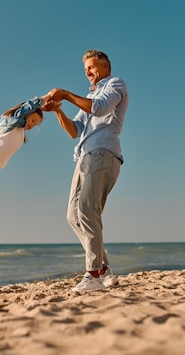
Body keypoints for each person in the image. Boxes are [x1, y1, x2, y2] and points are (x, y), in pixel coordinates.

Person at [45, 50, 128, 292]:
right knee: (73, 215)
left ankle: (93, 274)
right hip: (83, 158)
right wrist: (59, 110)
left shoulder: (115, 84)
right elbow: (74, 131)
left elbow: (100, 109)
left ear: (105, 66)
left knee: (87, 210)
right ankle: (103, 268)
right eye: (85, 70)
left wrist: (67, 94)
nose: (88, 73)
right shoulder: (89, 97)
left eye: (91, 67)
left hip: (103, 153)